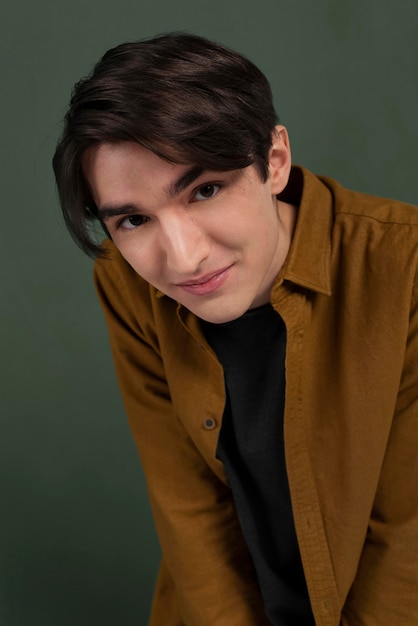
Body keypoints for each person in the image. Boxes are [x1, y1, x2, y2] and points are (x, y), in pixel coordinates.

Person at [53, 33, 418, 626]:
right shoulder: (128, 285)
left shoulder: (405, 269)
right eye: (135, 219)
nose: (183, 258)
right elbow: (188, 507)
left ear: (273, 161)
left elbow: (407, 538)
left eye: (206, 190)